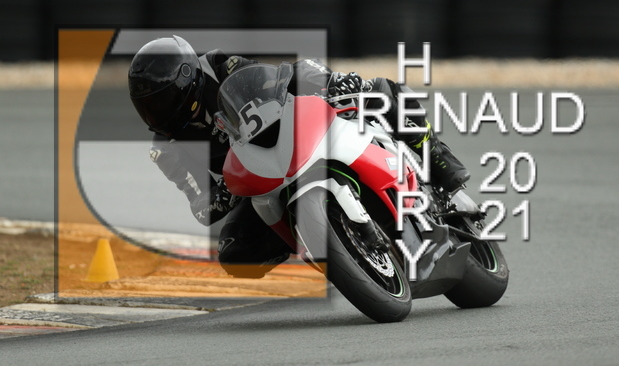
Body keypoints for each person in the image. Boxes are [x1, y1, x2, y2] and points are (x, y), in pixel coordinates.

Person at [128, 35, 469, 278]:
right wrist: (221, 197)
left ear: (185, 81)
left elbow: (275, 80)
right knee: (235, 254)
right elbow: (199, 204)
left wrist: (329, 82)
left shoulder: (218, 66)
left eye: (160, 101)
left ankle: (438, 160)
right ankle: (320, 239)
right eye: (146, 107)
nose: (155, 113)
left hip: (286, 134)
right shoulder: (166, 149)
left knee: (378, 90)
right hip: (255, 179)